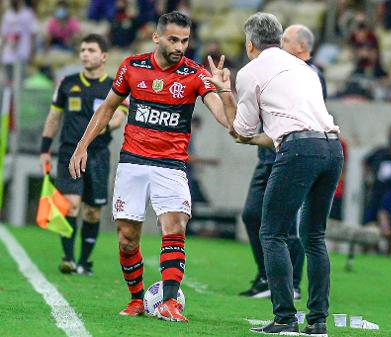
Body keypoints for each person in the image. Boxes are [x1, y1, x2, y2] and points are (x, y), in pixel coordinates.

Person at [68, 11, 229, 321]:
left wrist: (223, 90)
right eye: (173, 39)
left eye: (184, 40)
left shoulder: (195, 75)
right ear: (157, 37)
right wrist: (82, 145)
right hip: (133, 161)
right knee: (127, 239)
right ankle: (137, 299)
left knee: (175, 227)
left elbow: (223, 118)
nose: (180, 46)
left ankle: (169, 301)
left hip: (171, 164)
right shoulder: (132, 66)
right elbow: (107, 109)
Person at [206, 12, 342, 336]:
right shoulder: (305, 69)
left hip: (298, 151)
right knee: (314, 237)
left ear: (250, 44)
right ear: (279, 40)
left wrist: (225, 91)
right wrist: (253, 136)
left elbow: (241, 130)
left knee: (272, 234)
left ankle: (284, 318)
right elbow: (286, 128)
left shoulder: (251, 71)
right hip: (332, 148)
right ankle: (318, 322)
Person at [239, 24, 327, 301]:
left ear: (302, 47)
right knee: (253, 214)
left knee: (289, 227)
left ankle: (292, 286)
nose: (279, 44)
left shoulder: (307, 73)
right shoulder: (280, 69)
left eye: (285, 40)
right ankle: (269, 276)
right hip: (273, 153)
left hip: (293, 151)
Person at [39, 34, 128, 276]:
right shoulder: (67, 83)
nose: (85, 54)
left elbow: (119, 117)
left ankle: (85, 263)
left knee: (92, 211)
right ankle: (68, 258)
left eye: (90, 50)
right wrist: (45, 149)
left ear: (104, 56)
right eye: (82, 50)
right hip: (69, 151)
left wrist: (105, 125)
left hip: (98, 154)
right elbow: (53, 117)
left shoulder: (114, 86)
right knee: (71, 206)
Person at [0, 0, 38, 83]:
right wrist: (1, 53)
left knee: (20, 82)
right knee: (8, 82)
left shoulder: (28, 14)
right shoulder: (7, 15)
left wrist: (32, 53)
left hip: (23, 54)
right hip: (8, 55)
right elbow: (4, 36)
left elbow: (33, 35)